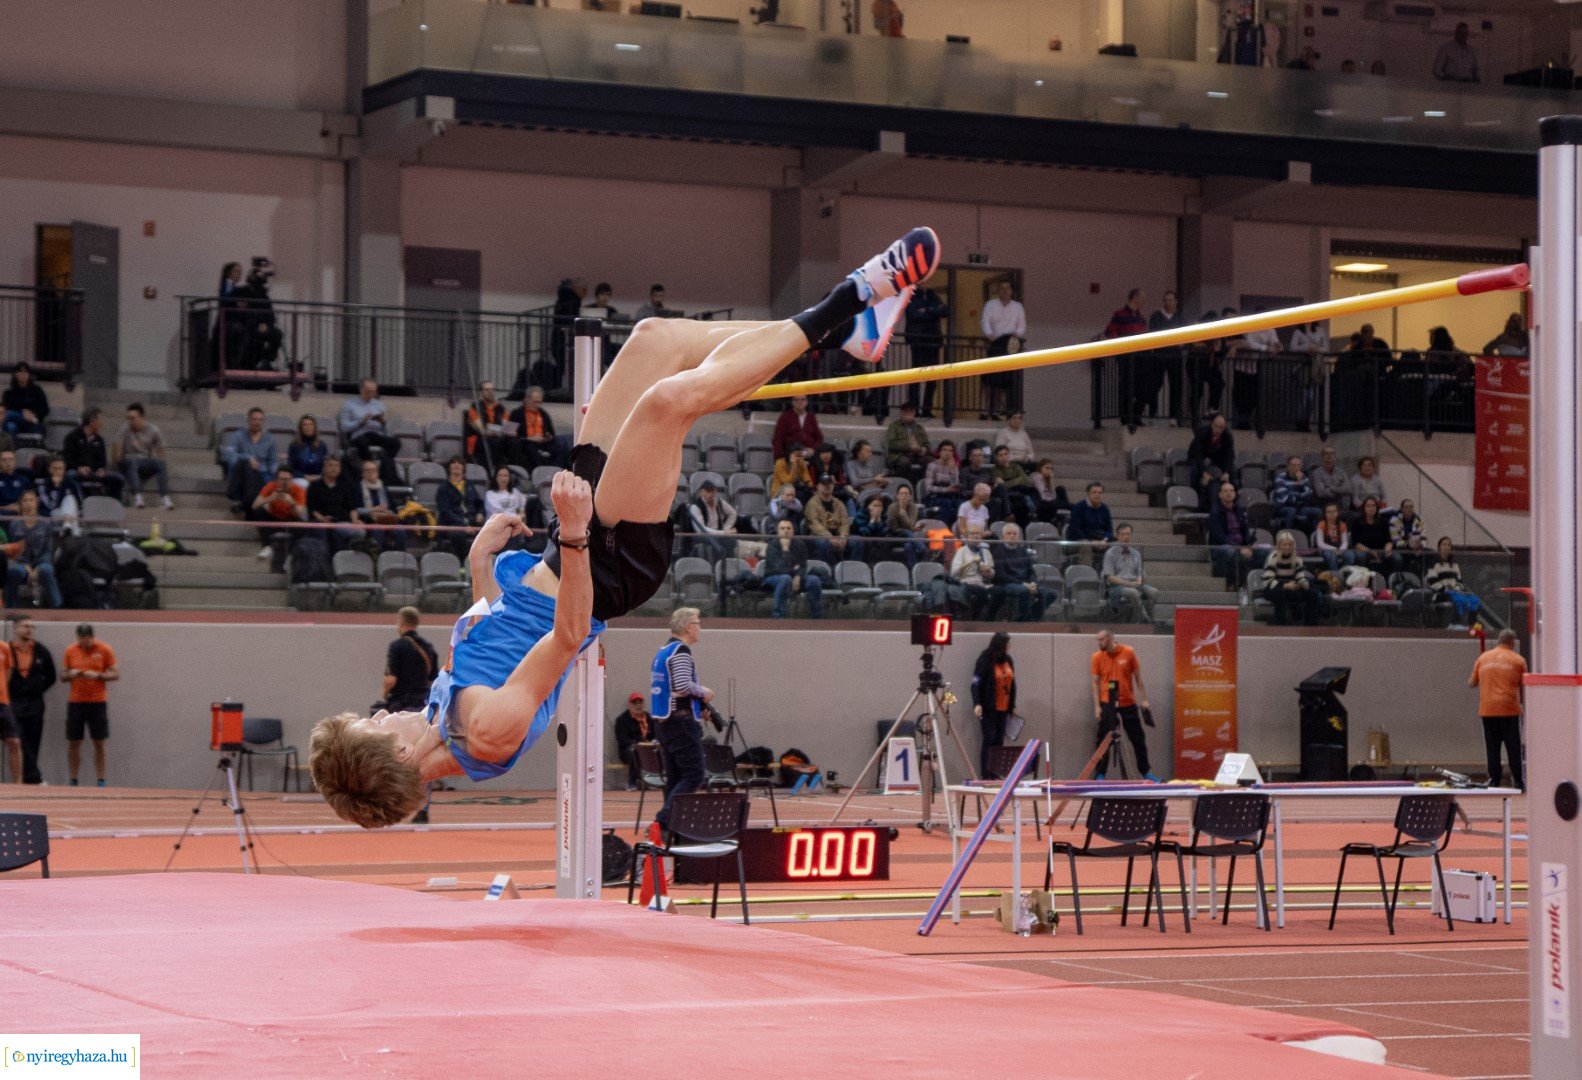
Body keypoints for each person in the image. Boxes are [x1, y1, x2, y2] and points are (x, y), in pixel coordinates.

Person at [307, 227, 943, 827]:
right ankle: (856, 295)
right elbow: (569, 634)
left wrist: (480, 564)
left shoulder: (440, 713)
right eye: (375, 726)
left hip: (570, 548)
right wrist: (578, 533)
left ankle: (847, 335)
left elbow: (501, 633)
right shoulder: (483, 732)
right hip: (602, 567)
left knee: (652, 342)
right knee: (668, 404)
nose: (382, 712)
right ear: (394, 760)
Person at [1091, 628, 1158, 781]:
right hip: (1107, 703)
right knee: (1103, 740)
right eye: (1098, 639)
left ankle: (1146, 771)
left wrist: (1144, 699)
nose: (1099, 642)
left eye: (1101, 639)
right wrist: (1097, 706)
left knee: (1138, 738)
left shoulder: (1128, 652)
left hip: (1128, 703)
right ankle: (1100, 774)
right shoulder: (1097, 657)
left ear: (1110, 638)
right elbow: (1095, 683)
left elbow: (1138, 678)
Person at [63, 623, 117, 787]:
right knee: (74, 741)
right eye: (81, 639)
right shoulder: (70, 650)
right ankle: (73, 778)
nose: (84, 642)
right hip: (76, 701)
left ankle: (101, 779)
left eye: (87, 639)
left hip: (97, 701)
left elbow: (115, 673)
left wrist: (99, 675)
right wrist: (71, 674)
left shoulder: (104, 649)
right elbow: (63, 675)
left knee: (99, 741)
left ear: (92, 637)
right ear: (78, 637)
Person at [1469, 629, 1524, 789]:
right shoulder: (1518, 660)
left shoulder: (1483, 658)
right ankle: (1519, 781)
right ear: (1512, 642)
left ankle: (1494, 781)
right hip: (1509, 710)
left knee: (1492, 748)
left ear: (1499, 641)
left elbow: (1471, 683)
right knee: (1513, 747)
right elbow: (1524, 685)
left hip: (1488, 710)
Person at [8, 615, 56, 785]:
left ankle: (30, 780)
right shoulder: (7, 650)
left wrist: (36, 689)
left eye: (31, 626)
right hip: (14, 702)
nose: (29, 630)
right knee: (18, 738)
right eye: (25, 626)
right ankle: (33, 777)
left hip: (35, 703)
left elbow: (51, 676)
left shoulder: (41, 651)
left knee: (34, 738)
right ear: (15, 628)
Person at [752, 518, 823, 619]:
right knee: (785, 578)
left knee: (814, 580)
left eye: (788, 528)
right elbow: (780, 569)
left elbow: (803, 565)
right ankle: (778, 616)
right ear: (778, 531)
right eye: (782, 528)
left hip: (794, 577)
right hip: (773, 578)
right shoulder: (772, 545)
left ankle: (817, 618)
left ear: (793, 531)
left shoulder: (800, 544)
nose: (786, 531)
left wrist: (798, 577)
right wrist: (785, 550)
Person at [339, 379, 402, 487]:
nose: (371, 394)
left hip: (376, 434)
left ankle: (384, 467)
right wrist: (361, 422)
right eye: (368, 391)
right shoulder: (349, 404)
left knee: (396, 443)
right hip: (359, 434)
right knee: (362, 441)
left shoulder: (379, 404)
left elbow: (385, 429)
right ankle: (370, 466)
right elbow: (344, 427)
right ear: (361, 389)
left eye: (373, 391)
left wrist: (382, 423)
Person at [970, 631, 1015, 777]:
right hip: (989, 708)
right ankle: (986, 774)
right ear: (1001, 644)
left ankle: (995, 773)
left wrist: (1012, 705)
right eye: (1007, 643)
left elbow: (1012, 683)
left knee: (999, 742)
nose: (1009, 646)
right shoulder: (985, 659)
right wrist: (977, 703)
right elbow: (976, 683)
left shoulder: (1008, 660)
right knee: (989, 740)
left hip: (1004, 708)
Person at [980, 279, 1026, 419]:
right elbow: (985, 320)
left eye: (1007, 288)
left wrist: (1016, 336)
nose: (1005, 291)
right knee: (990, 379)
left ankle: (1004, 410)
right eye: (1002, 288)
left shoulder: (1018, 307)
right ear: (998, 291)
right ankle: (987, 410)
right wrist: (989, 334)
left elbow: (1021, 325)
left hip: (1010, 345)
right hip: (996, 343)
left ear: (1012, 291)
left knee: (1007, 380)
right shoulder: (990, 305)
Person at [114, 403, 173, 510]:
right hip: (128, 460)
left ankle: (165, 498)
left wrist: (159, 459)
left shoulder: (153, 429)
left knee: (161, 464)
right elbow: (116, 448)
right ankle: (138, 497)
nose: (130, 421)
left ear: (141, 417)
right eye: (129, 418)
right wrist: (118, 465)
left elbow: (161, 448)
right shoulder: (125, 428)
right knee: (132, 462)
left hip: (144, 461)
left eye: (133, 418)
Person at [989, 522, 1053, 622]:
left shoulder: (1023, 551)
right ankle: (1027, 621)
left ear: (1018, 536)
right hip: (1007, 584)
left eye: (1015, 534)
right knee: (1024, 591)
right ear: (1004, 536)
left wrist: (1032, 582)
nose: (1012, 536)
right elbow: (1001, 576)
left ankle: (1026, 619)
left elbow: (1031, 571)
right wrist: (1024, 584)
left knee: (1050, 594)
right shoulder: (997, 551)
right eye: (1009, 533)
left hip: (1026, 584)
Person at [903, 285, 948, 416]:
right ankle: (914, 409)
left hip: (933, 342)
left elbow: (945, 311)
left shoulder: (932, 295)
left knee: (932, 378)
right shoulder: (911, 296)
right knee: (916, 376)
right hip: (918, 341)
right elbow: (914, 314)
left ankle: (927, 409)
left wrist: (926, 310)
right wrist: (933, 312)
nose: (924, 284)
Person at [384, 606, 438, 713]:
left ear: (401, 622)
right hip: (423, 704)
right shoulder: (428, 647)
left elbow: (391, 680)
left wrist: (384, 692)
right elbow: (433, 681)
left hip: (401, 704)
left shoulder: (396, 646)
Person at [62, 408, 123, 502]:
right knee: (70, 476)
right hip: (77, 471)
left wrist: (100, 469)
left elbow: (102, 461)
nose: (101, 423)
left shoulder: (99, 440)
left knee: (118, 478)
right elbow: (67, 459)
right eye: (99, 420)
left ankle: (113, 505)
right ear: (91, 421)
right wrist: (78, 468)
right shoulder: (72, 437)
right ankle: (80, 503)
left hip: (94, 472)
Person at [1261, 530, 1321, 626]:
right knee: (1281, 594)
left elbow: (1300, 576)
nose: (1287, 547)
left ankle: (1311, 625)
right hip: (1274, 587)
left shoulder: (1297, 560)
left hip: (1291, 586)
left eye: (1290, 545)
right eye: (1284, 544)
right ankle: (1281, 625)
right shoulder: (1273, 558)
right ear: (1279, 545)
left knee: (1312, 594)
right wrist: (1284, 585)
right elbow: (1268, 580)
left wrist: (1303, 583)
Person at [233, 257, 283, 370]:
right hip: (247, 326)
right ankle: (245, 364)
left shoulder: (264, 296)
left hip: (263, 327)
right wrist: (256, 324)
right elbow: (241, 312)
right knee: (249, 338)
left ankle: (266, 360)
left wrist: (267, 325)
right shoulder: (242, 291)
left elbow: (270, 316)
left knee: (277, 334)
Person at [1102, 523, 1158, 623]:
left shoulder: (1136, 554)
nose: (1125, 537)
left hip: (1134, 584)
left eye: (1128, 534)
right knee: (1134, 593)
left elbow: (1140, 573)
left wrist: (1139, 581)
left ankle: (1149, 621)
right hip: (1117, 586)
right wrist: (1130, 584)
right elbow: (1110, 578)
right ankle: (1137, 622)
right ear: (1118, 536)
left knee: (1154, 592)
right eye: (1123, 534)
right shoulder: (1110, 553)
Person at [224, 408, 277, 511]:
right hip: (241, 474)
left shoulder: (270, 439)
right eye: (254, 419)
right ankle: (247, 502)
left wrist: (259, 466)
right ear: (248, 420)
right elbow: (228, 455)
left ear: (263, 422)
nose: (257, 422)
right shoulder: (238, 436)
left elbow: (273, 464)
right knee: (244, 463)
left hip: (261, 475)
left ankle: (237, 498)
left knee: (247, 466)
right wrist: (248, 458)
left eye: (260, 420)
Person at [306, 455, 362, 553]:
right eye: (331, 465)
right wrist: (322, 519)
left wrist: (355, 520)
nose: (334, 468)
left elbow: (352, 507)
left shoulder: (345, 486)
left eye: (336, 466)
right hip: (321, 521)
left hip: (342, 521)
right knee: (322, 529)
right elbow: (312, 509)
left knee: (360, 531)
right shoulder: (315, 486)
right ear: (324, 468)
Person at [250, 465, 307, 559]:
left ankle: (292, 553)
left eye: (286, 479)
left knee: (301, 524)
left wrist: (292, 503)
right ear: (277, 478)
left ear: (292, 479)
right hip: (273, 518)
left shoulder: (298, 490)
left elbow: (298, 513)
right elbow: (255, 505)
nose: (283, 482)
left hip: (289, 519)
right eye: (281, 479)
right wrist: (270, 498)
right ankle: (267, 546)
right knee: (259, 511)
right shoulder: (271, 486)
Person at [1208, 480, 1254, 589]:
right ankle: (1233, 583)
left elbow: (1245, 531)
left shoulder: (1239, 510)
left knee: (1263, 551)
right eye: (1225, 491)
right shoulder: (1215, 512)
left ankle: (1255, 585)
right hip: (1221, 547)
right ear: (1220, 494)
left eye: (1231, 491)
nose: (1229, 493)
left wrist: (1248, 545)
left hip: (1240, 547)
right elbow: (1219, 536)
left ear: (1234, 494)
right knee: (1230, 551)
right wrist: (1238, 548)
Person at [352, 458, 405, 552]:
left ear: (377, 473)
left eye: (373, 470)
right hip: (368, 520)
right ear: (363, 473)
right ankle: (376, 557)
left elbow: (393, 508)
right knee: (377, 529)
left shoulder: (383, 487)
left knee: (400, 530)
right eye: (368, 470)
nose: (371, 473)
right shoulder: (357, 488)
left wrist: (388, 511)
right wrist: (373, 509)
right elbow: (355, 509)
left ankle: (398, 556)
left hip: (386, 518)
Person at [1427, 536, 1481, 628]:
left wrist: (1459, 589)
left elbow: (1459, 581)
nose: (1447, 547)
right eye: (1444, 544)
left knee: (1475, 599)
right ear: (1439, 547)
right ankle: (1454, 624)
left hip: (1455, 591)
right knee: (1454, 598)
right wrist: (1446, 589)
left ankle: (1471, 624)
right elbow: (1433, 582)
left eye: (1449, 545)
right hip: (1441, 593)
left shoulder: (1454, 564)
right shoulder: (1433, 563)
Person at [507, 385, 564, 471]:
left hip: (543, 442)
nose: (537, 405)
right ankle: (540, 471)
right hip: (525, 442)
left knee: (561, 445)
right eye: (535, 402)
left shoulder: (544, 414)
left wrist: (548, 437)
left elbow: (551, 433)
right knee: (530, 447)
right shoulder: (515, 413)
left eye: (539, 402)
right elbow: (508, 433)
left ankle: (556, 472)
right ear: (527, 399)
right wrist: (528, 438)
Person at [805, 473, 857, 563]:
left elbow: (845, 522)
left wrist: (843, 536)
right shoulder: (812, 503)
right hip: (819, 536)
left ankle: (853, 569)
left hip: (838, 535)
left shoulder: (839, 503)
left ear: (833, 486)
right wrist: (830, 537)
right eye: (823, 484)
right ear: (818, 486)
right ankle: (829, 570)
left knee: (857, 541)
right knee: (824, 543)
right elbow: (814, 524)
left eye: (829, 483)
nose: (827, 486)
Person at [1186, 413, 1234, 510]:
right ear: (1212, 425)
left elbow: (1229, 456)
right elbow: (1197, 454)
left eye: (1222, 427)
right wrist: (1204, 472)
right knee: (1195, 471)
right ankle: (1194, 494)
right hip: (1197, 457)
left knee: (1230, 472)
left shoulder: (1227, 436)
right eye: (1217, 427)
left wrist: (1226, 472)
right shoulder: (1203, 432)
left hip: (1214, 459)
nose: (1219, 430)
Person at [436, 456, 485, 549]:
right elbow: (445, 511)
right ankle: (462, 561)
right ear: (448, 467)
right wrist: (464, 525)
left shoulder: (469, 485)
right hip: (453, 524)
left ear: (463, 467)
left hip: (472, 521)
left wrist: (481, 513)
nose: (456, 465)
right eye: (453, 462)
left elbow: (479, 503)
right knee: (457, 534)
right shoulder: (443, 488)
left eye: (460, 463)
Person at [950, 523, 995, 619]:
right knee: (980, 592)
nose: (975, 536)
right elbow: (954, 573)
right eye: (972, 533)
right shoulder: (961, 551)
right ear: (967, 537)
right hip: (965, 582)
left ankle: (990, 620)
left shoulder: (986, 551)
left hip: (983, 583)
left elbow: (992, 573)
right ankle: (974, 618)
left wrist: (989, 571)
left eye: (978, 533)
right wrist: (971, 562)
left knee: (999, 591)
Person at [687, 479, 738, 562]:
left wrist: (726, 528)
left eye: (712, 491)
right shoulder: (695, 507)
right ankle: (720, 565)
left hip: (718, 534)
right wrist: (723, 533)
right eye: (707, 491)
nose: (710, 494)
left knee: (731, 540)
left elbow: (733, 513)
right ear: (701, 492)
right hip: (702, 536)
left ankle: (727, 565)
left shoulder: (719, 502)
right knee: (725, 541)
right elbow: (701, 530)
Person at [464, 380, 510, 467]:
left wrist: (506, 431)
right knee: (492, 442)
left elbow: (506, 426)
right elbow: (480, 428)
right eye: (487, 390)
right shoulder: (475, 407)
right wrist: (488, 432)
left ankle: (509, 470)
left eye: (492, 389)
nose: (490, 392)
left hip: (498, 438)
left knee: (513, 442)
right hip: (481, 438)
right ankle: (495, 470)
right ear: (481, 392)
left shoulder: (501, 408)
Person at [884, 401, 931, 485]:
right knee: (904, 462)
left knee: (930, 461)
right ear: (901, 413)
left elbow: (928, 446)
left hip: (917, 456)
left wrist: (925, 449)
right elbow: (891, 444)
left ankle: (924, 487)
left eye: (911, 411)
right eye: (906, 412)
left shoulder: (919, 428)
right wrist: (909, 447)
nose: (909, 414)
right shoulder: (894, 426)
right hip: (899, 455)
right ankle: (902, 486)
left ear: (914, 413)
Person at [1271, 454, 1320, 534]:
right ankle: (1287, 537)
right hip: (1282, 508)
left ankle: (1315, 538)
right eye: (1293, 465)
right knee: (1291, 510)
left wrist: (1301, 486)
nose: (1296, 468)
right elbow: (1285, 499)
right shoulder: (1280, 479)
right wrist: (1299, 490)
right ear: (1288, 467)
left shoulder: (1304, 478)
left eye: (1299, 465)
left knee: (1318, 511)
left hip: (1299, 508)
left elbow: (1308, 497)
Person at [613, 691, 652, 790]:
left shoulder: (649, 718)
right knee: (635, 751)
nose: (638, 705)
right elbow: (623, 740)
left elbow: (657, 734)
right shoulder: (622, 720)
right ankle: (632, 782)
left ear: (644, 704)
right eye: (635, 703)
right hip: (628, 750)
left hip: (649, 748)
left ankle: (655, 780)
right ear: (629, 704)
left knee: (661, 750)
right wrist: (639, 744)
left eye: (640, 702)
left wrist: (652, 743)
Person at [33, 456, 81, 533]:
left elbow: (79, 504)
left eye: (60, 468)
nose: (58, 471)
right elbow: (51, 506)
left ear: (64, 469)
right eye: (55, 468)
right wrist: (57, 487)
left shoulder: (71, 483)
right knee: (70, 503)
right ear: (49, 469)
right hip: (51, 515)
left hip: (69, 514)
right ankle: (69, 529)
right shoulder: (43, 484)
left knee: (70, 498)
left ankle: (67, 526)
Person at [2, 363, 49, 440]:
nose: (23, 374)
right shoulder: (9, 393)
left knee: (8, 414)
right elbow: (7, 408)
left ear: (29, 374)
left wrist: (33, 413)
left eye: (26, 372)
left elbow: (45, 409)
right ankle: (13, 451)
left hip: (33, 423)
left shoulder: (37, 391)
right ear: (15, 374)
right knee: (10, 426)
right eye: (20, 372)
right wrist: (23, 412)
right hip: (16, 423)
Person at [990, 445, 1037, 524]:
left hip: (1019, 493)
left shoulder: (1016, 467)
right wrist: (1019, 479)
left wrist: (1010, 482)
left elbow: (1028, 482)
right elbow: (1003, 486)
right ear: (996, 458)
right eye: (1000, 455)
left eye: (1005, 454)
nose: (1004, 457)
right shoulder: (994, 470)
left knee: (1032, 492)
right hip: (1007, 496)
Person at [1067, 482, 1115, 554]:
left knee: (1117, 544)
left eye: (1100, 493)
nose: (1097, 495)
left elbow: (1109, 529)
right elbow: (1074, 530)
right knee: (1086, 544)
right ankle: (1086, 566)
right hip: (1080, 540)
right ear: (1088, 493)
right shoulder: (1079, 507)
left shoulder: (1105, 508)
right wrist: (1091, 541)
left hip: (1100, 539)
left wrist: (1104, 540)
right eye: (1094, 492)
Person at [772, 394, 823, 462]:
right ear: (792, 402)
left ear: (806, 402)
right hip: (791, 452)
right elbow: (778, 439)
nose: (800, 402)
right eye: (796, 400)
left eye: (802, 399)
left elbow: (819, 438)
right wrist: (778, 459)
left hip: (809, 452)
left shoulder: (811, 417)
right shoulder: (785, 417)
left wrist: (813, 449)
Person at [921, 441, 963, 521]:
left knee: (961, 504)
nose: (948, 453)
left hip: (949, 496)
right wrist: (946, 490)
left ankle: (957, 528)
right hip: (934, 496)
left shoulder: (954, 466)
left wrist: (953, 472)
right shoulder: (932, 466)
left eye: (950, 451)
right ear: (939, 452)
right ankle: (943, 528)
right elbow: (928, 487)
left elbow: (955, 485)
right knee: (946, 503)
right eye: (945, 450)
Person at [287, 415, 330, 491]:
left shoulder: (322, 445)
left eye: (310, 424)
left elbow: (326, 465)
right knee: (305, 484)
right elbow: (290, 468)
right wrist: (304, 476)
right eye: (305, 425)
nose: (308, 427)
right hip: (300, 478)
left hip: (318, 477)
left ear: (314, 427)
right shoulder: (294, 446)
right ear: (301, 428)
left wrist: (319, 476)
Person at [1350, 497, 1391, 571]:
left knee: (1397, 558)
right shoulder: (1357, 522)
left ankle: (1392, 579)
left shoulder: (1383, 521)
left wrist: (1387, 549)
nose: (1371, 508)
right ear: (1364, 508)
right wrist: (1370, 551)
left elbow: (1388, 540)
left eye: (1373, 506)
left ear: (1377, 507)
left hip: (1381, 550)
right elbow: (1355, 543)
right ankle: (1363, 578)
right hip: (1363, 550)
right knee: (1360, 556)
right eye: (1368, 506)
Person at [1313, 502, 1353, 571]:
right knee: (1330, 555)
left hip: (1340, 548)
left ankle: (1344, 574)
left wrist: (1340, 550)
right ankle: (1336, 576)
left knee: (1350, 555)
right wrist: (1334, 549)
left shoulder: (1342, 525)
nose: (1332, 514)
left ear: (1338, 513)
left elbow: (1345, 542)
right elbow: (1320, 544)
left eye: (1334, 511)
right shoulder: (1321, 525)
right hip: (1326, 549)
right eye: (1329, 512)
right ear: (1325, 514)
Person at [1311, 446, 1350, 513]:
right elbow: (1321, 493)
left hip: (1339, 502)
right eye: (1326, 453)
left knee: (1346, 498)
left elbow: (1348, 488)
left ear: (1335, 456)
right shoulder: (1316, 473)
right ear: (1322, 456)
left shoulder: (1341, 472)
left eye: (1332, 453)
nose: (1329, 456)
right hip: (1323, 502)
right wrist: (1340, 491)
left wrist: (1331, 488)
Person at [1029, 458, 1068, 524]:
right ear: (1040, 468)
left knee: (1060, 489)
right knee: (1068, 505)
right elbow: (1042, 495)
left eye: (1051, 469)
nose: (1049, 471)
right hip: (1042, 503)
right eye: (1047, 468)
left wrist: (1051, 480)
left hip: (1051, 502)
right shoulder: (1037, 476)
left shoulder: (1047, 479)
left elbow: (1054, 496)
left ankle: (1067, 506)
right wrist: (1052, 501)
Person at [0, 449, 33, 516]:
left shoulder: (24, 480)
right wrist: (6, 508)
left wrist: (21, 507)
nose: (8, 462)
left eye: (10, 459)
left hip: (20, 511)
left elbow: (30, 499)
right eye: (4, 460)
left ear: (15, 462)